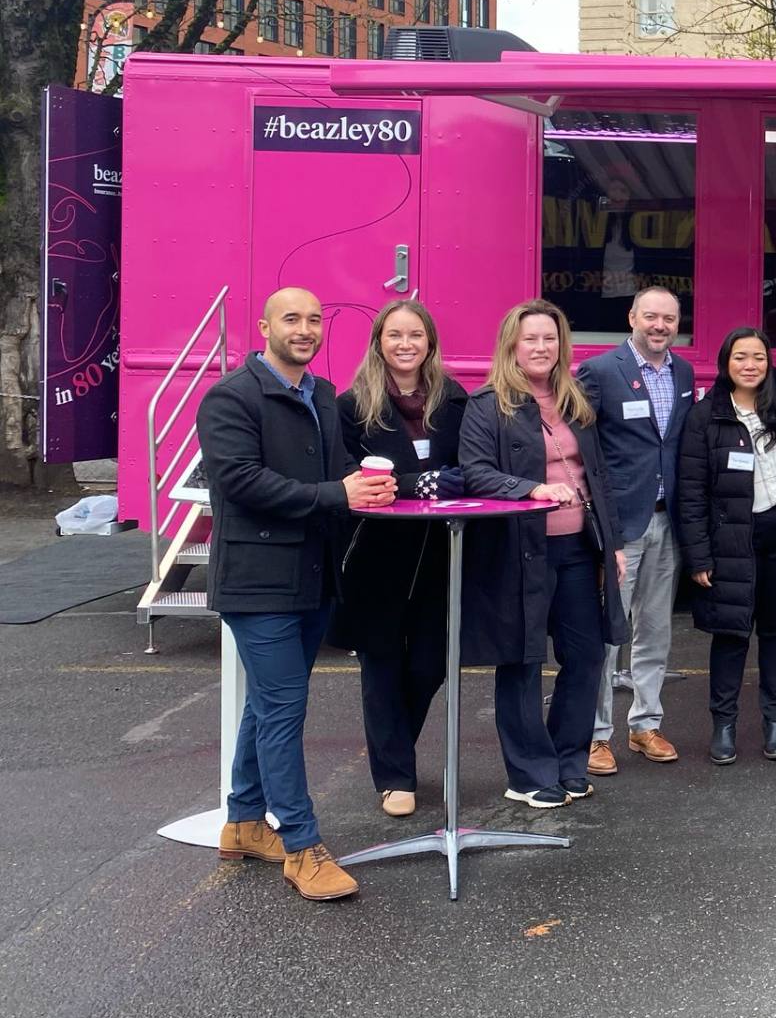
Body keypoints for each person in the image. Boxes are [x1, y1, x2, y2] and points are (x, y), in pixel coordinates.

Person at [197, 286, 393, 901]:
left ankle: (245, 822)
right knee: (283, 709)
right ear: (264, 327)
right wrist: (341, 495)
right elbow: (243, 482)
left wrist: (379, 486)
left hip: (313, 578)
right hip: (258, 585)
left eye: (314, 320)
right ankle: (302, 848)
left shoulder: (324, 394)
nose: (305, 329)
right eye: (292, 319)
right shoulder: (230, 397)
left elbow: (335, 473)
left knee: (268, 704)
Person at [460, 299, 627, 809]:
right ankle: (530, 773)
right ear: (512, 343)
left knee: (587, 655)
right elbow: (474, 471)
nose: (541, 347)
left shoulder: (574, 399)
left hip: (579, 548)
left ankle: (568, 761)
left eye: (549, 339)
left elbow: (596, 477)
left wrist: (612, 546)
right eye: (530, 338)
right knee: (523, 660)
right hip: (518, 552)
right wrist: (529, 489)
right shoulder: (488, 404)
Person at [333, 298, 469, 817]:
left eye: (415, 334)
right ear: (379, 343)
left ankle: (397, 751)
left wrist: (437, 484)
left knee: (430, 663)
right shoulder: (351, 406)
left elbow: (470, 465)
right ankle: (394, 776)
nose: (405, 344)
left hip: (443, 556)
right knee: (382, 666)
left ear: (430, 342)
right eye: (394, 335)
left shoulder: (455, 401)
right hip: (377, 558)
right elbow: (348, 472)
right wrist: (420, 484)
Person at [675, 328, 776, 764]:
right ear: (726, 363)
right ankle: (724, 725)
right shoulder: (704, 416)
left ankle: (775, 721)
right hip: (730, 542)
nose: (750, 365)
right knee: (731, 635)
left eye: (758, 357)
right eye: (740, 357)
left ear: (769, 361)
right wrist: (698, 555)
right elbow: (691, 491)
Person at [577, 285, 695, 775]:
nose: (660, 326)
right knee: (609, 630)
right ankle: (596, 733)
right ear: (632, 317)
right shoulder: (600, 372)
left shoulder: (684, 373)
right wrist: (599, 527)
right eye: (651, 317)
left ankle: (645, 722)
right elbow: (584, 454)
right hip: (620, 524)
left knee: (655, 628)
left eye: (669, 318)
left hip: (668, 520)